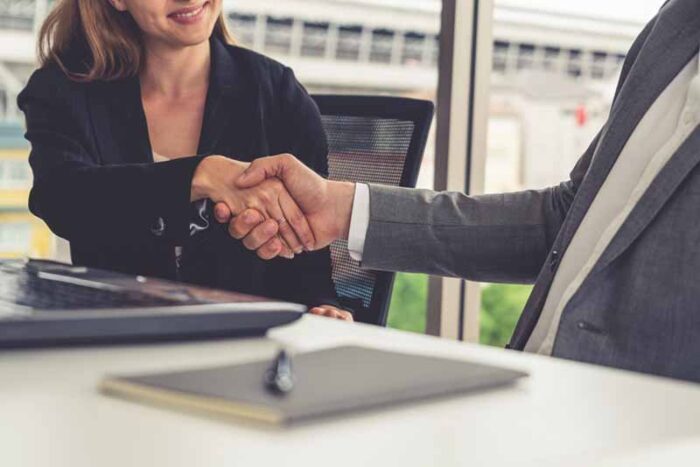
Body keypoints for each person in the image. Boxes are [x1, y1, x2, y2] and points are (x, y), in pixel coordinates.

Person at [218, 0, 700, 382]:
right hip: (535, 377)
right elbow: (567, 220)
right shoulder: (676, 25)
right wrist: (341, 208)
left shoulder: (269, 90)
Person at [18, 0, 352, 321]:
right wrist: (201, 175)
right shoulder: (64, 88)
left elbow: (309, 266)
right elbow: (61, 197)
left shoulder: (279, 94)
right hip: (115, 334)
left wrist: (322, 307)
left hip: (244, 342)